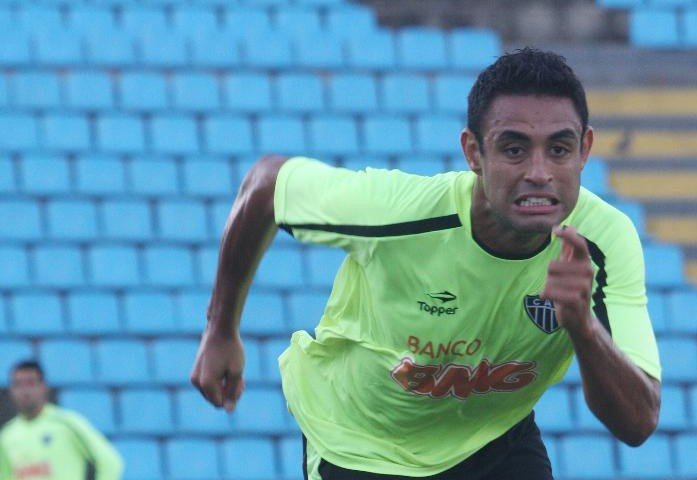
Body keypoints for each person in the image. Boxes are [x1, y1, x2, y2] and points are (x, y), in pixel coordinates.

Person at [192, 48, 661, 479]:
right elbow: (267, 186)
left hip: (492, 437)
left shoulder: (603, 242)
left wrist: (582, 325)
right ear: (474, 153)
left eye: (558, 149)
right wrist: (220, 329)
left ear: (584, 149)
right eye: (514, 149)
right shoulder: (397, 212)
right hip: (362, 444)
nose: (538, 173)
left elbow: (638, 422)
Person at [0, 360, 123, 480]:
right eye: (18, 384)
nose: (24, 391)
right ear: (11, 390)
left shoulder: (66, 424)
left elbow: (110, 462)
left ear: (43, 387)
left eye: (31, 383)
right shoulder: (7, 435)